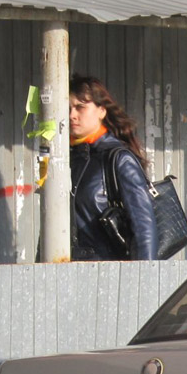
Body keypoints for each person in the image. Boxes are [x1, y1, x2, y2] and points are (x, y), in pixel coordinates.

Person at [68, 75, 158, 260]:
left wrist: (145, 279)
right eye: (68, 108)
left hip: (108, 274)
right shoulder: (66, 159)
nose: (72, 115)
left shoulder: (118, 159)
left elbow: (144, 227)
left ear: (101, 111)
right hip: (67, 273)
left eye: (80, 107)